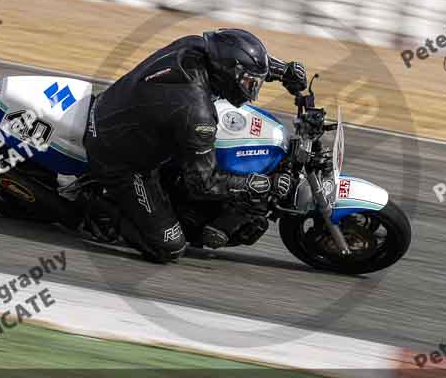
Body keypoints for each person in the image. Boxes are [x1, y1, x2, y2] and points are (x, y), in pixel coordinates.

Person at [82, 29, 307, 262]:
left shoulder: (195, 47)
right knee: (170, 246)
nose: (252, 91)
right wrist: (259, 183)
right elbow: (203, 183)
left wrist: (282, 70)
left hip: (118, 110)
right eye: (249, 83)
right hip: (120, 159)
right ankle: (92, 208)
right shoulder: (198, 114)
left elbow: (234, 56)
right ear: (227, 74)